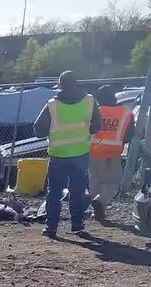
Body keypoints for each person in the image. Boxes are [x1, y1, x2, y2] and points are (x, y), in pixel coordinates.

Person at [33, 71, 103, 238]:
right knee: (77, 190)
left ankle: (51, 226)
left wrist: (51, 131)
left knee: (54, 191)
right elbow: (97, 125)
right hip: (80, 153)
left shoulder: (52, 104)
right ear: (76, 83)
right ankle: (77, 224)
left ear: (60, 85)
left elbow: (38, 129)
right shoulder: (90, 101)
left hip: (58, 154)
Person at [88, 84, 134, 222]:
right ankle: (100, 202)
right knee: (113, 183)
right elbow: (131, 134)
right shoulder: (126, 113)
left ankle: (97, 210)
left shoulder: (94, 112)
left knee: (95, 182)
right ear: (114, 97)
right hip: (113, 151)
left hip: (94, 151)